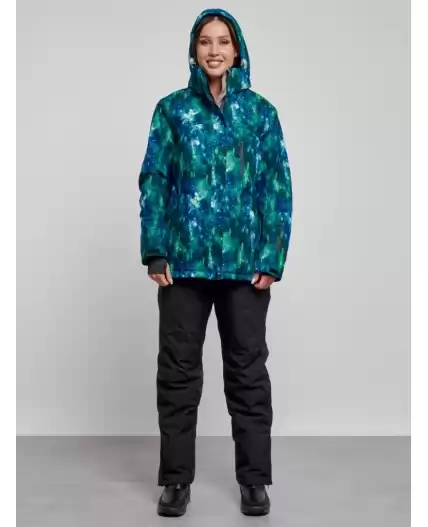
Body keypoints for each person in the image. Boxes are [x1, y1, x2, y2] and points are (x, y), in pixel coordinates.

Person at [138, 8, 292, 517]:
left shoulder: (261, 113)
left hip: (245, 266)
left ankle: (254, 479)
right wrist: (155, 248)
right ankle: (175, 479)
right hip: (182, 265)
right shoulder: (172, 110)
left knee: (248, 373)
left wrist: (272, 257)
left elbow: (277, 187)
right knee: (178, 374)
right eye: (205, 41)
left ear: (237, 49)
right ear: (194, 49)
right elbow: (155, 179)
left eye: (223, 41)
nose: (214, 50)